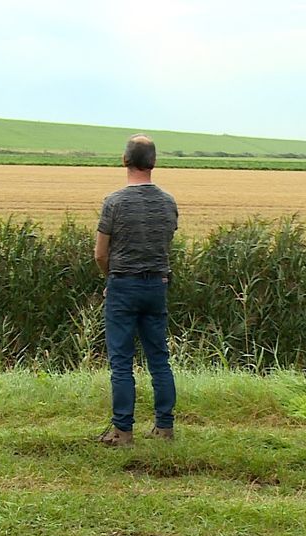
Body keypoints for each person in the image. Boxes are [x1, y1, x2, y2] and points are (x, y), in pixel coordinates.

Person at [94, 134, 178, 447]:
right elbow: (165, 241)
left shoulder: (114, 202)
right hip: (157, 284)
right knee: (159, 358)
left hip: (123, 286)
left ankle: (122, 431)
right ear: (153, 163)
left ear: (125, 160)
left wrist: (110, 278)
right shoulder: (168, 202)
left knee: (121, 361)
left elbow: (100, 254)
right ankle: (164, 427)